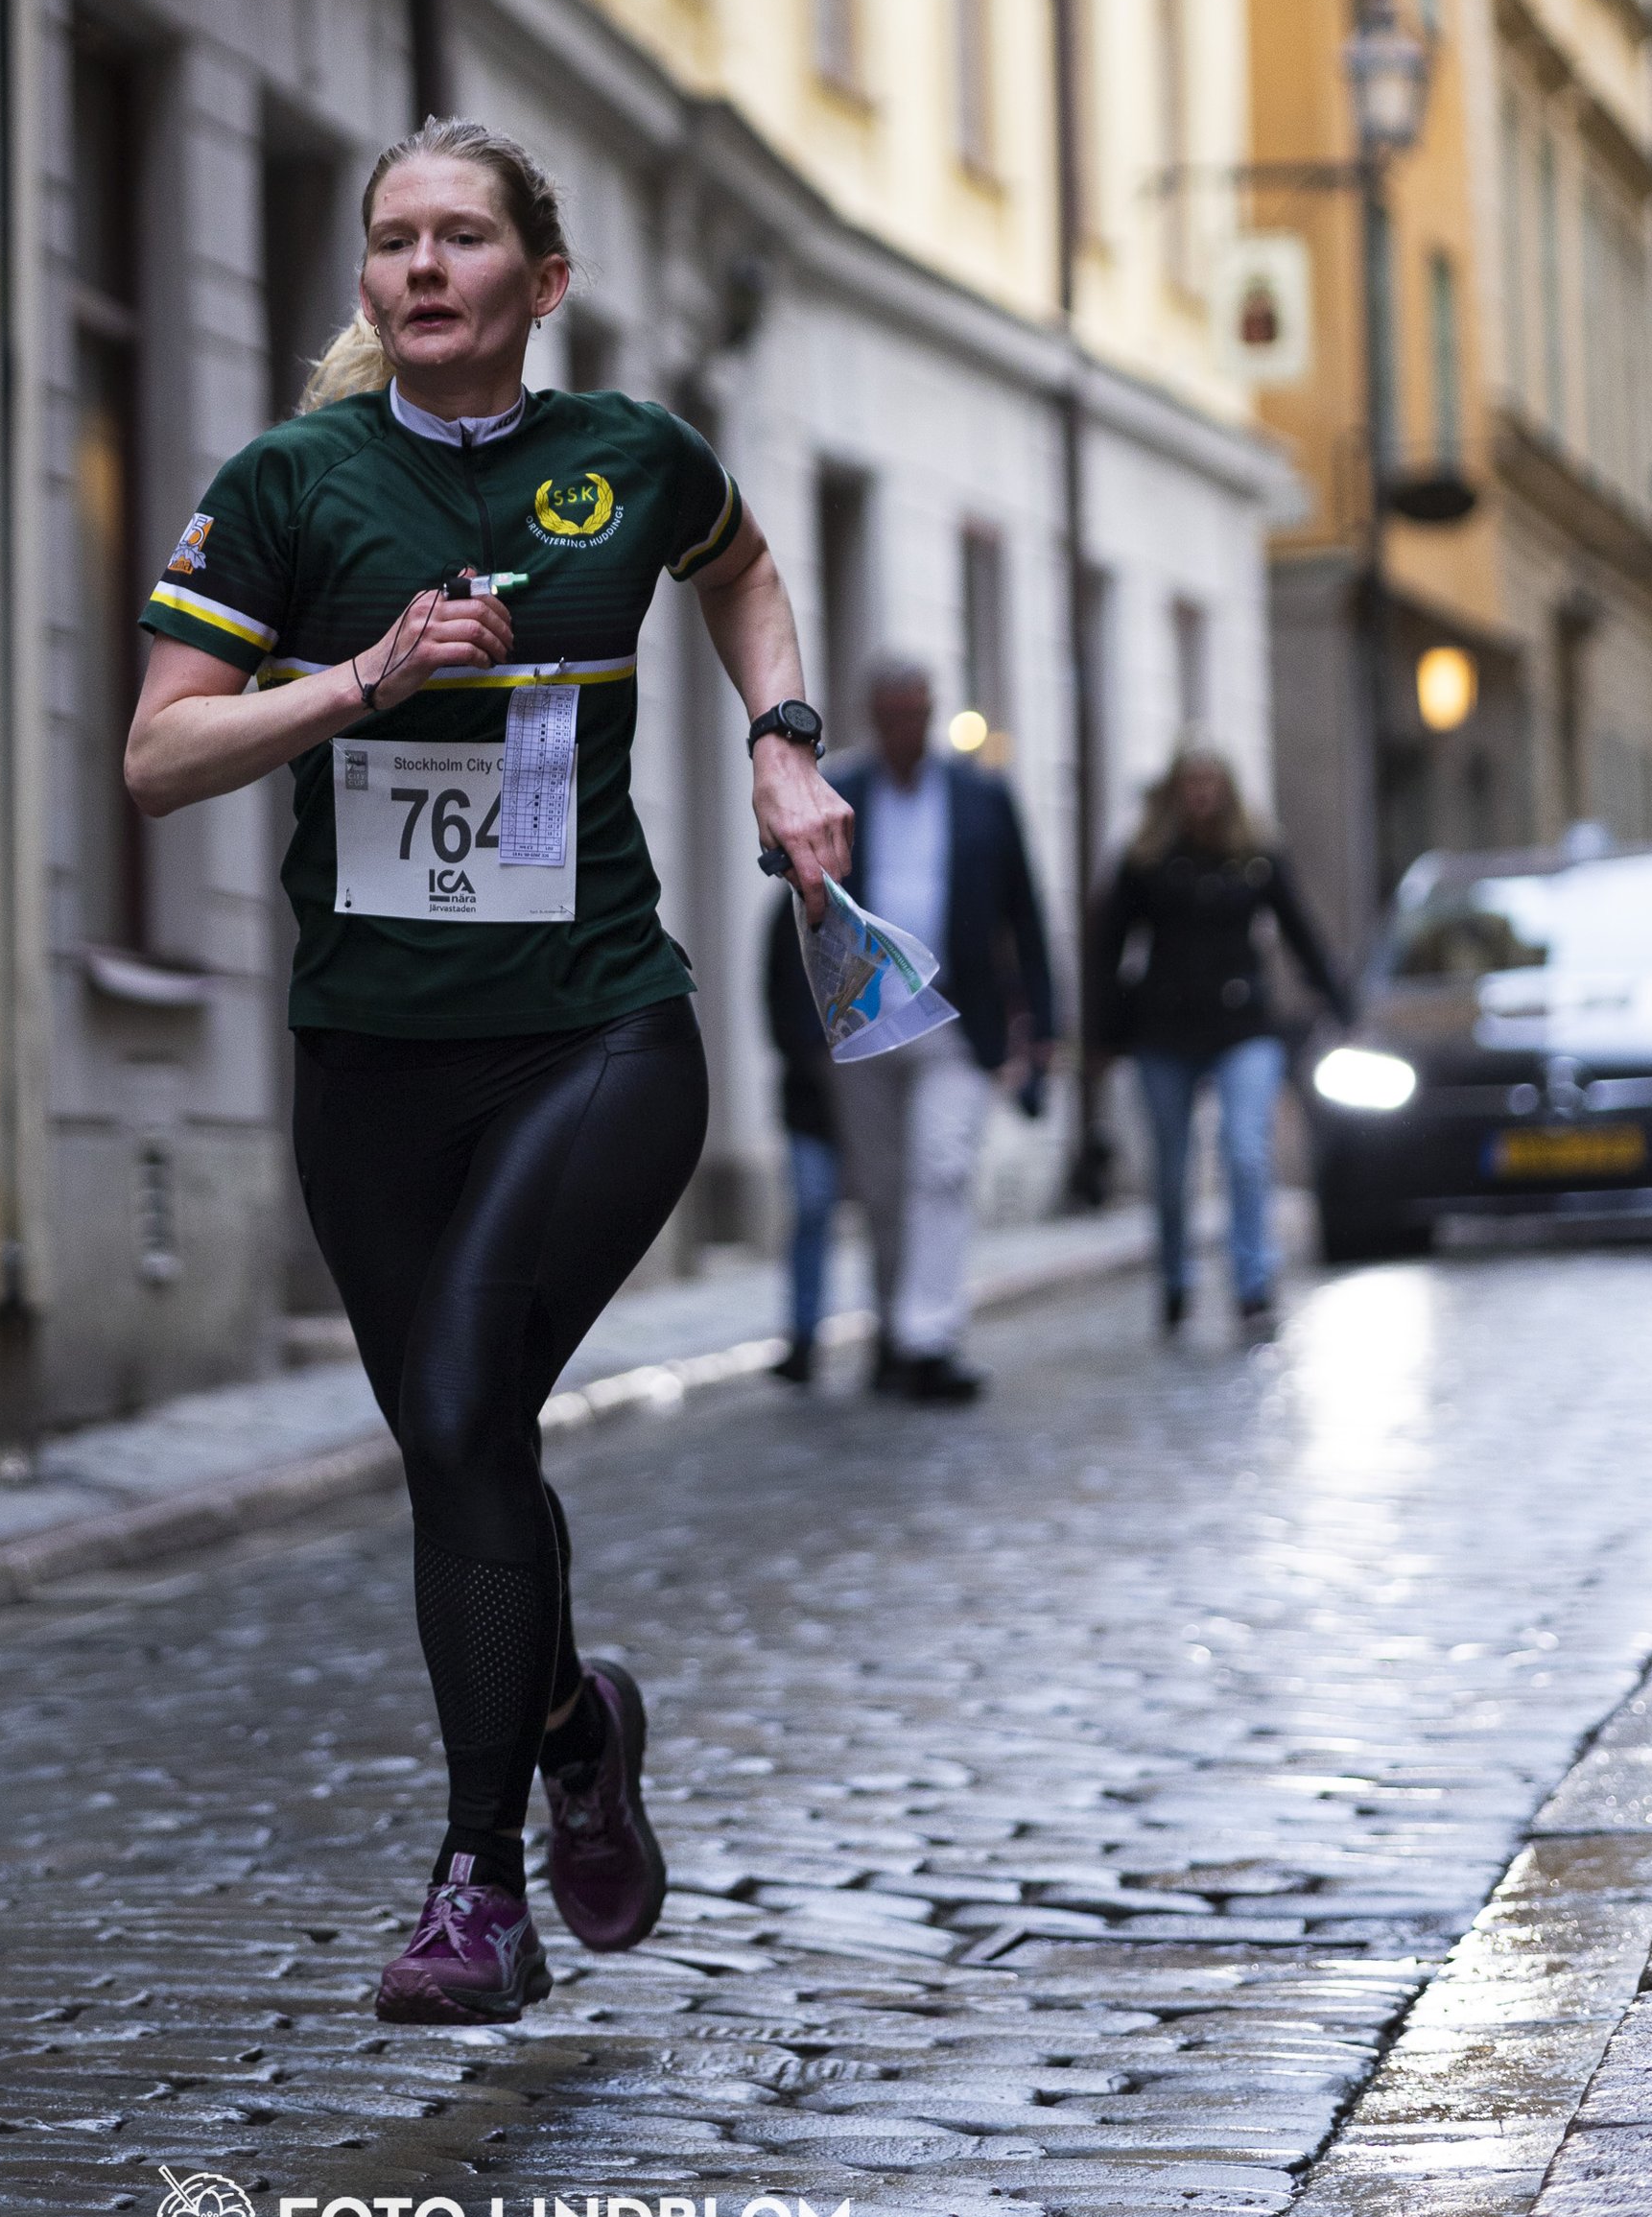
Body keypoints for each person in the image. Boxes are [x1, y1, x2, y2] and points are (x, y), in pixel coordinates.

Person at [124, 116, 850, 2024]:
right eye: (390, 243)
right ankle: (569, 1725)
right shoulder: (288, 488)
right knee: (457, 1445)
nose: (420, 269)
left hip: (598, 1033)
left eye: (460, 239)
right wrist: (360, 681)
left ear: (541, 281)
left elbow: (743, 567)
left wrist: (777, 736)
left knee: (458, 1402)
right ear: (366, 285)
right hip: (371, 1064)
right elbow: (157, 755)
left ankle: (474, 1883)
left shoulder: (626, 462)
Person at [823, 656, 1055, 1403]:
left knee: (943, 1169)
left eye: (915, 712)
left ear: (930, 712)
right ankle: (893, 1333)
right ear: (872, 717)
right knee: (884, 1189)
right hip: (864, 1018)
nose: (904, 728)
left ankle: (931, 1337)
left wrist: (1043, 1027)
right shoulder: (841, 794)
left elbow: (1026, 913)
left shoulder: (983, 798)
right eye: (890, 714)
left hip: (957, 1016)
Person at [1090, 744, 1351, 1340]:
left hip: (1243, 1025)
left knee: (1245, 1151)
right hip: (1164, 1029)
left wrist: (1340, 1004)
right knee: (1172, 1167)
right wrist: (1105, 1035)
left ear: (1227, 790)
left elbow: (1299, 929)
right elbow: (1109, 948)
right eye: (1191, 782)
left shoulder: (1255, 855)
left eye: (1211, 782)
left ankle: (1253, 1285)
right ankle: (1175, 1282)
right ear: (1175, 790)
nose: (1201, 794)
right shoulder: (1146, 858)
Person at [762, 892, 842, 1384]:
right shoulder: (788, 910)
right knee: (812, 1208)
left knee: (888, 1209)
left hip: (875, 1089)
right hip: (811, 1093)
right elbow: (776, 994)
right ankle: (804, 1335)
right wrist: (810, 1054)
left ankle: (896, 1334)